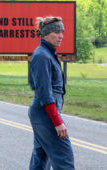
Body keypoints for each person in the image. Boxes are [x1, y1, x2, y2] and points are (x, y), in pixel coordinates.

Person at [28, 16, 75, 170]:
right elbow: (45, 94)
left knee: (41, 157)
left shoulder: (47, 53)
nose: (60, 36)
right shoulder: (41, 56)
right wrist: (57, 121)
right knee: (64, 158)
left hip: (43, 112)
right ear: (46, 34)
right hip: (45, 113)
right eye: (56, 32)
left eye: (62, 32)